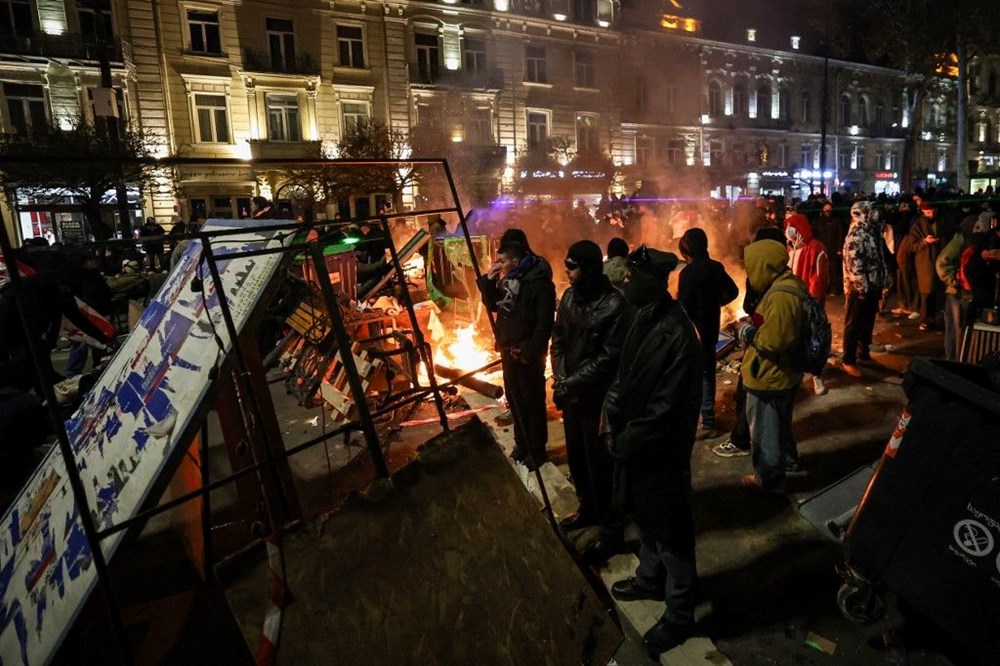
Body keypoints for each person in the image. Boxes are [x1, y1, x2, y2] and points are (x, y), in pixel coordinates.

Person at [602, 245, 702, 658]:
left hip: (660, 449)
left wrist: (624, 439)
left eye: (632, 279)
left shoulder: (678, 333)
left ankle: (680, 614)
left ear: (654, 283)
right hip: (635, 442)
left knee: (671, 531)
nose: (625, 283)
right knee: (643, 515)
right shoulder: (639, 316)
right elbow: (625, 375)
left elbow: (667, 409)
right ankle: (648, 579)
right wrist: (611, 410)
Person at [551, 240, 630, 565]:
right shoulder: (569, 297)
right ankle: (587, 510)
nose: (566, 272)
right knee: (578, 461)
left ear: (590, 268)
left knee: (601, 466)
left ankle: (611, 532)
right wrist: (558, 376)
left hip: (598, 400)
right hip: (572, 396)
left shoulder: (614, 305)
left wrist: (570, 382)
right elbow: (558, 340)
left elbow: (609, 358)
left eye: (571, 266)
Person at [477, 229, 555, 470]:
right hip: (508, 350)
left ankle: (537, 450)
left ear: (516, 260)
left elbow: (544, 323)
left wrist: (530, 352)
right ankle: (522, 444)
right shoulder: (509, 280)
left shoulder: (539, 283)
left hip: (527, 355)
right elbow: (493, 305)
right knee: (515, 400)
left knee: (532, 402)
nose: (499, 264)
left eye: (502, 260)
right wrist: (488, 282)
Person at [736, 238, 806, 492]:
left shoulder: (780, 296)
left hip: (770, 374)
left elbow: (775, 340)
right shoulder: (786, 284)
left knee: (764, 431)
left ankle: (770, 479)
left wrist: (747, 332)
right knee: (780, 425)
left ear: (764, 265)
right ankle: (788, 463)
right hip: (782, 373)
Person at [712, 226, 786, 459]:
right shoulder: (783, 277)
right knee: (776, 408)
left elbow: (766, 328)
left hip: (765, 355)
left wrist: (747, 332)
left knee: (747, 393)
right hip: (777, 362)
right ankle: (785, 454)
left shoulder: (772, 287)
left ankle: (744, 441)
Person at [677, 228, 739, 439]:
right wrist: (716, 304)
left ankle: (698, 422)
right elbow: (734, 291)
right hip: (711, 328)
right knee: (707, 375)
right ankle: (708, 421)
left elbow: (683, 307)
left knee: (692, 377)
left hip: (692, 333)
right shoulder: (715, 267)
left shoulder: (688, 273)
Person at [841, 201, 889, 377]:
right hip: (858, 289)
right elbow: (855, 266)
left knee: (867, 323)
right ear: (861, 214)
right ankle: (848, 360)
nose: (875, 215)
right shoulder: (856, 235)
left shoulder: (872, 232)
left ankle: (863, 353)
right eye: (870, 212)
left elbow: (879, 259)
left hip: (872, 286)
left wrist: (884, 281)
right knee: (853, 324)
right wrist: (863, 289)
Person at [784, 213, 830, 395]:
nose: (788, 232)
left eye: (792, 227)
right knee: (794, 340)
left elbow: (818, 278)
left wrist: (811, 302)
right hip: (792, 302)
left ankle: (817, 376)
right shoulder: (789, 249)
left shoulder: (815, 248)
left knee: (813, 341)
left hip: (809, 303)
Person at [908, 201, 942, 331]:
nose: (931, 214)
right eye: (928, 212)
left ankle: (936, 318)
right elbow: (912, 246)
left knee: (937, 291)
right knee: (926, 291)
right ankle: (925, 320)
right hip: (925, 261)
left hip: (938, 259)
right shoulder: (917, 225)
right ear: (922, 212)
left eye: (933, 212)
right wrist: (924, 241)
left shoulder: (941, 222)